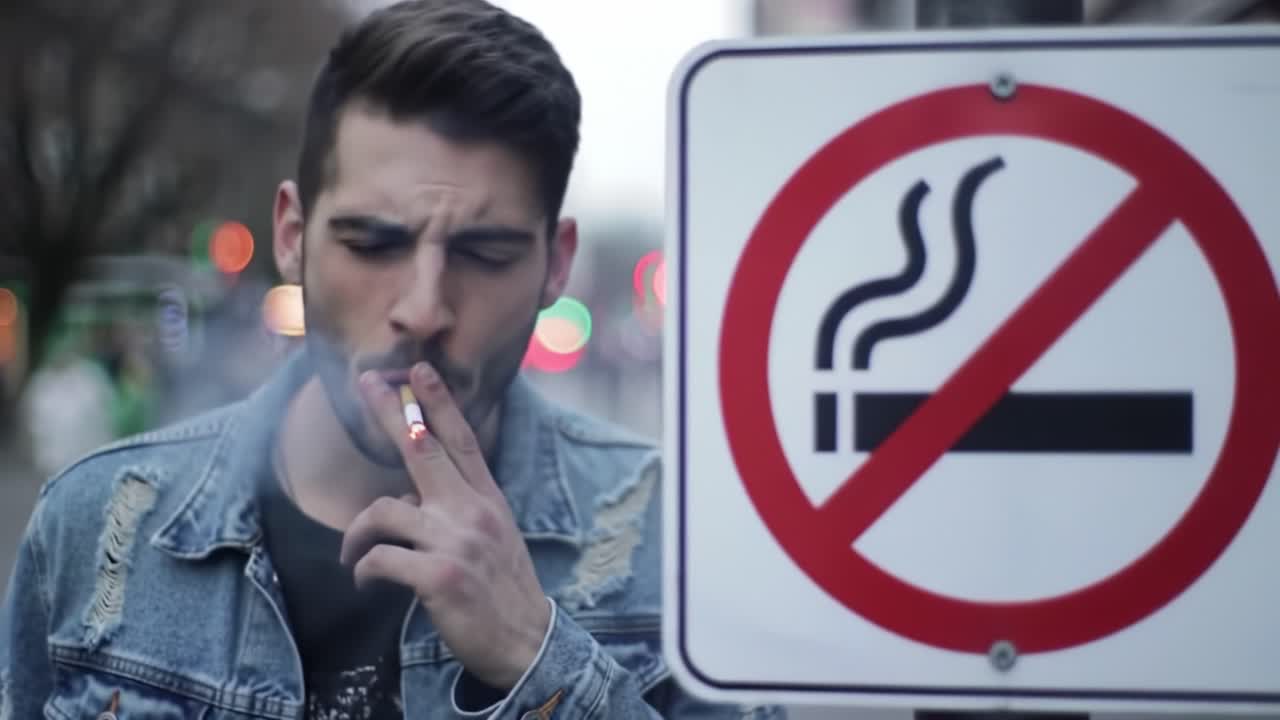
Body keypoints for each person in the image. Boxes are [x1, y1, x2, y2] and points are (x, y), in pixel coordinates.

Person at [0, 1, 785, 717]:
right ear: (289, 237)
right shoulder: (96, 523)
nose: (422, 307)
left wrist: (536, 656)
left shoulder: (677, 544)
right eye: (372, 242)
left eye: (484, 251)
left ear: (555, 264)